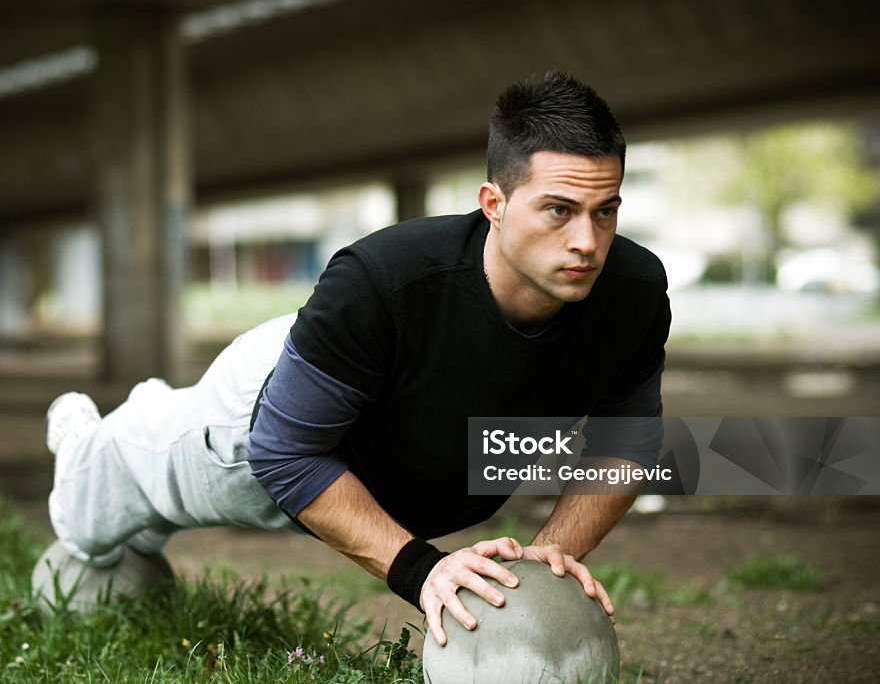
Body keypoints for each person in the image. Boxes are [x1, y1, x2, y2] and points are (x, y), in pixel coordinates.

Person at [43, 69, 670, 647]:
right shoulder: (381, 279)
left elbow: (627, 443)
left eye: (605, 210)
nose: (587, 241)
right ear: (494, 204)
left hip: (400, 446)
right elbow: (284, 453)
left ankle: (142, 495)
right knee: (108, 494)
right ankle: (95, 444)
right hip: (261, 429)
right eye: (558, 210)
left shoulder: (634, 293)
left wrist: (546, 560)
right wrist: (422, 570)